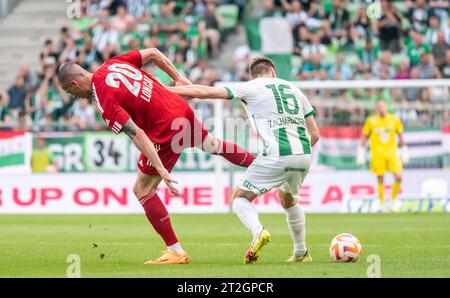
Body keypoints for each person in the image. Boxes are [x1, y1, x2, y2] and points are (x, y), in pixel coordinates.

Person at [57, 48, 255, 264]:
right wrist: (178, 78)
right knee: (213, 145)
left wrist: (160, 168)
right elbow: (152, 52)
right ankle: (264, 167)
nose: (73, 96)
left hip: (164, 129)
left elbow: (137, 133)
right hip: (179, 109)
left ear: (74, 85)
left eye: (70, 92)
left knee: (142, 189)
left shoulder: (102, 98)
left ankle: (176, 251)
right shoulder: (112, 64)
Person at [168, 57, 320, 264]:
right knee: (288, 199)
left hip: (276, 154)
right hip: (304, 155)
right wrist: (297, 157)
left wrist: (165, 90)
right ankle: (301, 252)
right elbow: (315, 134)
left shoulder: (251, 87)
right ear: (273, 72)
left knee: (240, 198)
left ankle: (258, 231)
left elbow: (206, 93)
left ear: (253, 75)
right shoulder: (293, 88)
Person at [357, 100, 409, 212]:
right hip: (377, 154)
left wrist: (405, 150)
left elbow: (401, 136)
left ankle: (393, 201)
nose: (381, 108)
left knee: (399, 176)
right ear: (376, 108)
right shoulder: (371, 120)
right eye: (379, 106)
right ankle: (382, 203)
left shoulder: (394, 119)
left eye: (383, 106)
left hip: (392, 153)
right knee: (380, 179)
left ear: (386, 107)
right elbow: (364, 136)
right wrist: (361, 152)